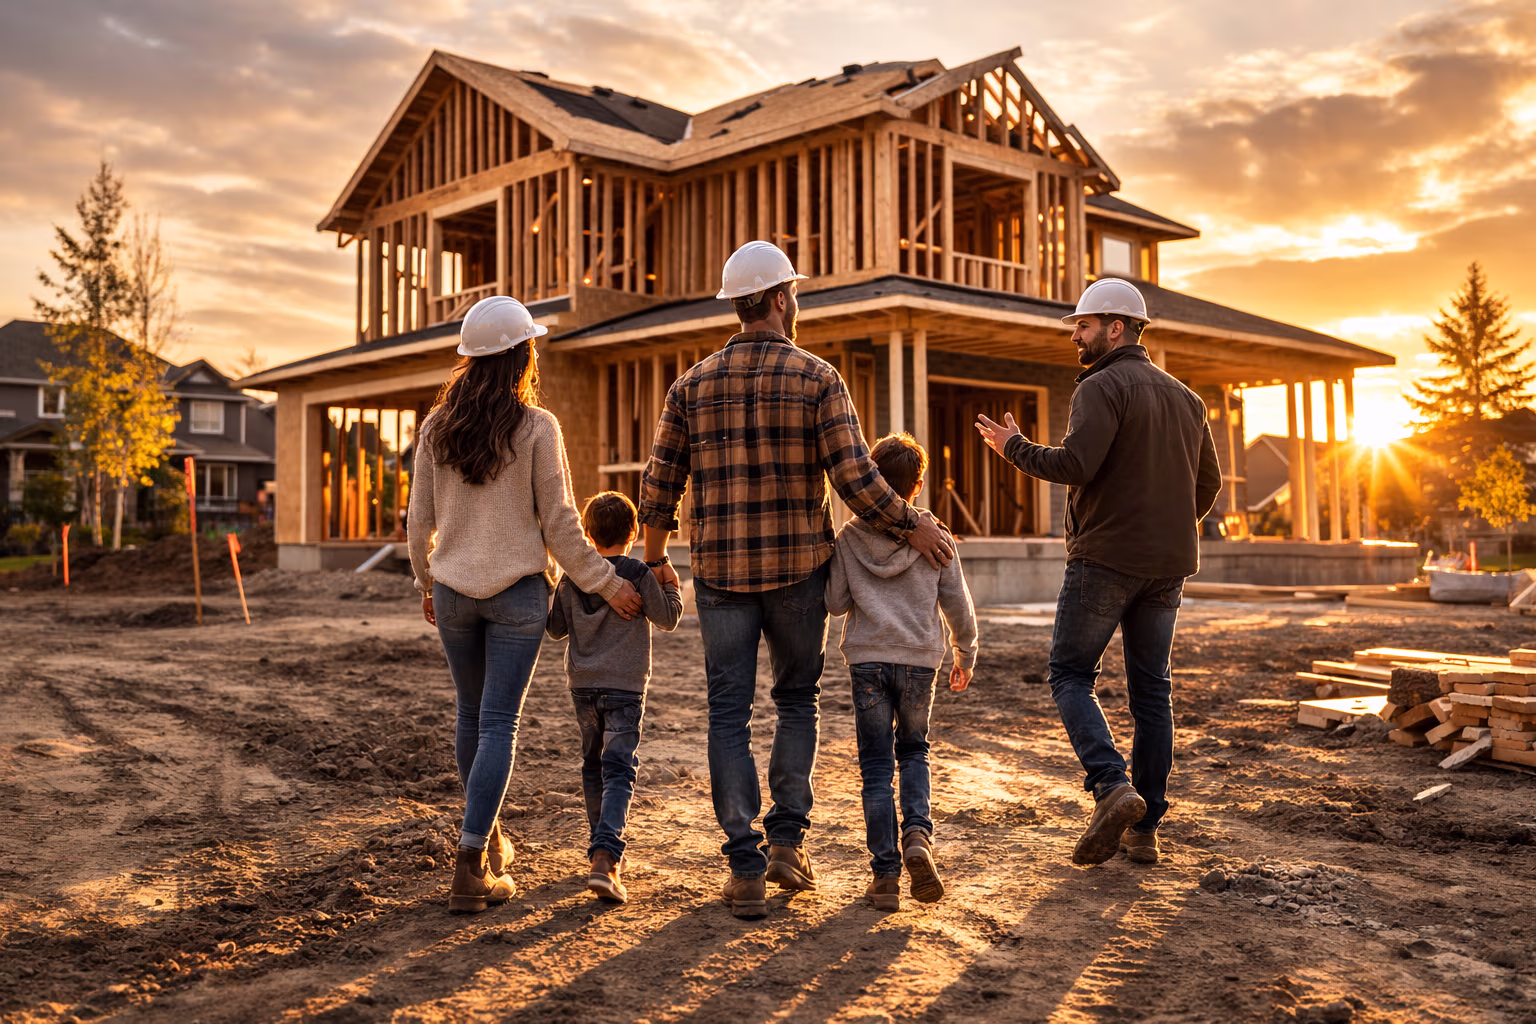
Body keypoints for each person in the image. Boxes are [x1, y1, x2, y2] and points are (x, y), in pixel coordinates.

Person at [637, 241, 956, 918]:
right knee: (794, 702)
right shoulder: (819, 376)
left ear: (738, 303)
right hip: (796, 574)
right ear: (781, 298)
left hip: (720, 570)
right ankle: (786, 844)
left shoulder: (690, 385)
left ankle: (745, 867)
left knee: (728, 713)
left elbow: (659, 485)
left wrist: (655, 556)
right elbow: (856, 481)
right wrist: (913, 524)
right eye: (796, 294)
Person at [408, 296, 644, 914]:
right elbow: (563, 524)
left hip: (454, 592)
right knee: (497, 724)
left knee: (470, 716)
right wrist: (607, 582)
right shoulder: (537, 426)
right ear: (523, 353)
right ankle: (468, 865)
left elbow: (418, 523)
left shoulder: (436, 428)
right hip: (516, 596)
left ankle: (484, 848)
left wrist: (426, 583)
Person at [975, 277, 1220, 867]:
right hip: (1167, 568)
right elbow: (1206, 486)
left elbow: (1076, 464)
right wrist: (1164, 528)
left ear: (1116, 328)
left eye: (1082, 326)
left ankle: (1112, 786)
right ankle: (1145, 832)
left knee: (1068, 673)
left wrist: (1014, 446)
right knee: (1151, 694)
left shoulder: (1100, 386)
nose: (1075, 336)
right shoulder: (1188, 400)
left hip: (1105, 560)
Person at [825, 433, 979, 911]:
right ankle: (917, 835)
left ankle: (885, 877)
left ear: (872, 480)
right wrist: (965, 651)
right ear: (917, 485)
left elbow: (833, 603)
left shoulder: (849, 538)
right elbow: (957, 600)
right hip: (919, 661)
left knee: (874, 768)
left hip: (867, 660)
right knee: (914, 751)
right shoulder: (936, 535)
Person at [546, 491, 683, 904]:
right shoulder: (639, 573)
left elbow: (554, 630)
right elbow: (667, 619)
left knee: (593, 765)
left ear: (587, 532)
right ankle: (606, 857)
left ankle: (598, 849)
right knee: (619, 768)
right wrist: (673, 588)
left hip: (583, 686)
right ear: (634, 531)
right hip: (625, 685)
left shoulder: (575, 576)